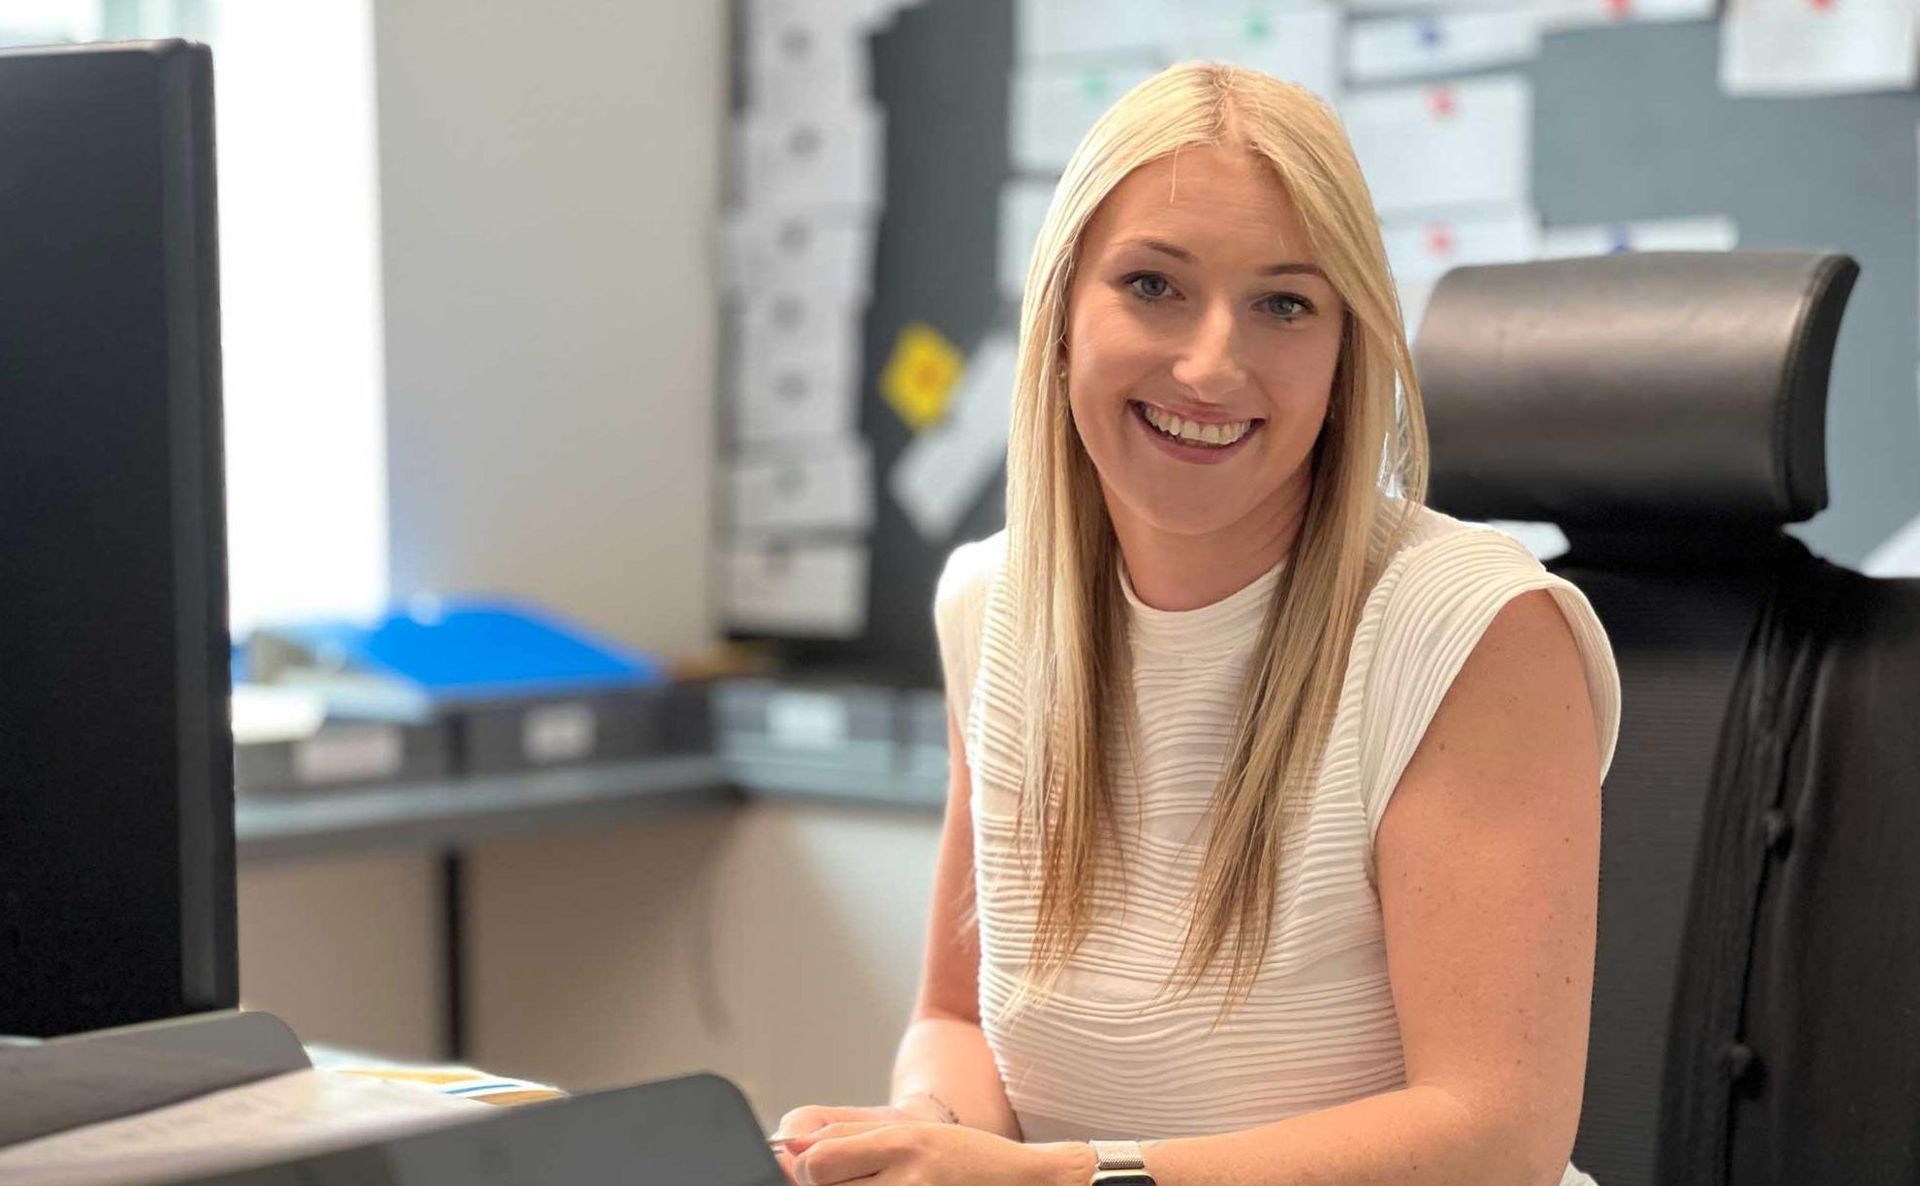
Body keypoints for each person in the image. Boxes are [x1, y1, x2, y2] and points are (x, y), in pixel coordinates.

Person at [774, 60, 1620, 1186]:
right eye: (1153, 286)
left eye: (1284, 303)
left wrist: (1060, 1177)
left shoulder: (1472, 627)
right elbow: (956, 1018)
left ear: (1341, 353)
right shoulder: (995, 603)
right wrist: (926, 1135)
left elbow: (1491, 1139)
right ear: (1064, 314)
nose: (1211, 363)